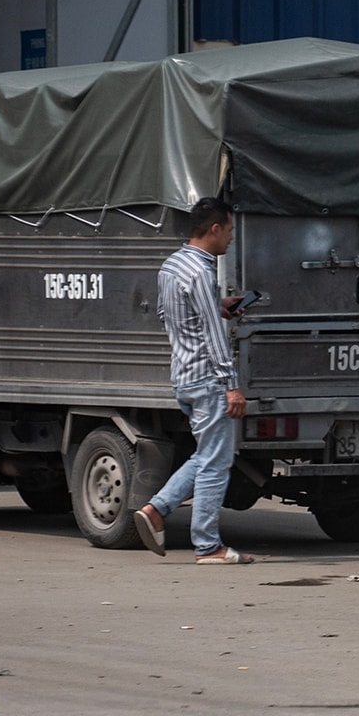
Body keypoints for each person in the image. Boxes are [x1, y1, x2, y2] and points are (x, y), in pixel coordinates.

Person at [134, 197, 255, 564]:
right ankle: (207, 545)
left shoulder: (171, 266)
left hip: (183, 376)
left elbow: (166, 315)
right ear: (215, 229)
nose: (231, 238)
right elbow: (213, 334)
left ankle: (156, 510)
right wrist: (231, 384)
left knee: (206, 456)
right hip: (207, 380)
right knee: (216, 464)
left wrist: (216, 306)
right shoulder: (202, 272)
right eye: (230, 230)